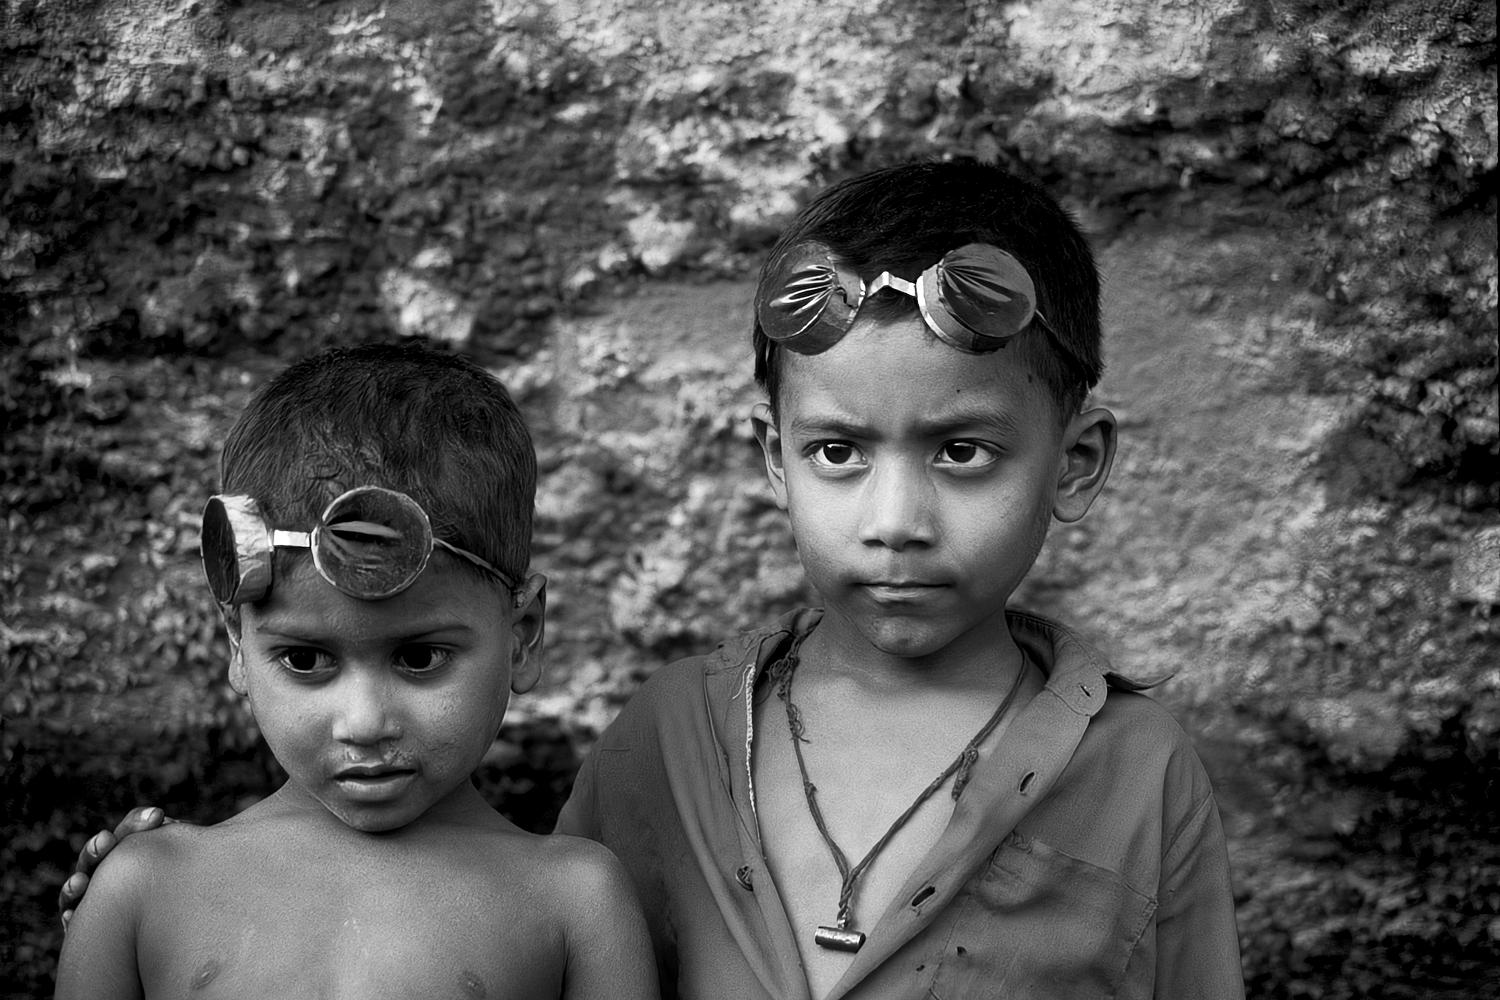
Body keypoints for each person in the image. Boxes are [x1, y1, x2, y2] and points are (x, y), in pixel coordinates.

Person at [62, 159, 1244, 1000]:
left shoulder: (1142, 773)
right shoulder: (667, 744)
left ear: (1075, 460)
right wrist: (141, 894)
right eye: (839, 451)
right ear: (771, 457)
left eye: (963, 452)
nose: (897, 523)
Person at [53, 343, 657, 1000]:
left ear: (523, 636)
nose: (365, 723)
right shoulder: (146, 889)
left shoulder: (574, 902)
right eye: (305, 660)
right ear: (237, 643)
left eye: (419, 658)